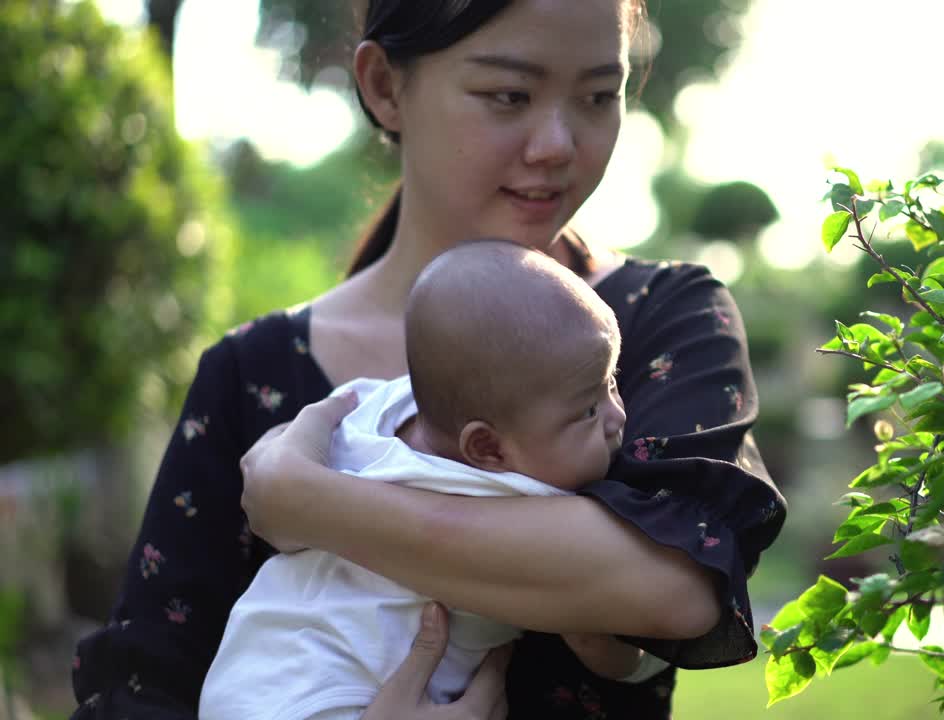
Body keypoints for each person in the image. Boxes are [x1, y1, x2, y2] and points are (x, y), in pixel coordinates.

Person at [71, 1, 786, 718]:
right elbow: (140, 689)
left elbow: (681, 584)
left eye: (600, 96)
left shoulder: (660, 320)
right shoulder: (251, 376)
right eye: (509, 94)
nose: (558, 143)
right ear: (384, 86)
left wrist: (312, 503)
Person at [199, 240, 666, 720]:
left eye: (611, 381)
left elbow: (286, 441)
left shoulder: (373, 406)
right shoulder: (519, 495)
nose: (616, 416)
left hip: (251, 666)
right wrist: (640, 662)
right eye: (587, 410)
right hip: (328, 698)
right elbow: (598, 625)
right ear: (486, 448)